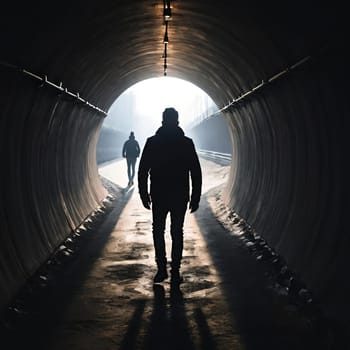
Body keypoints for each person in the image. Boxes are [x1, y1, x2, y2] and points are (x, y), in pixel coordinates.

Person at [138, 107, 202, 284]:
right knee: (177, 232)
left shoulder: (152, 142)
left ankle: (161, 269)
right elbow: (195, 172)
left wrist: (144, 194)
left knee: (158, 230)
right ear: (178, 121)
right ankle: (175, 270)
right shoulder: (186, 143)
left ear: (162, 121)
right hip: (180, 195)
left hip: (159, 194)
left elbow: (143, 170)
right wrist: (195, 196)